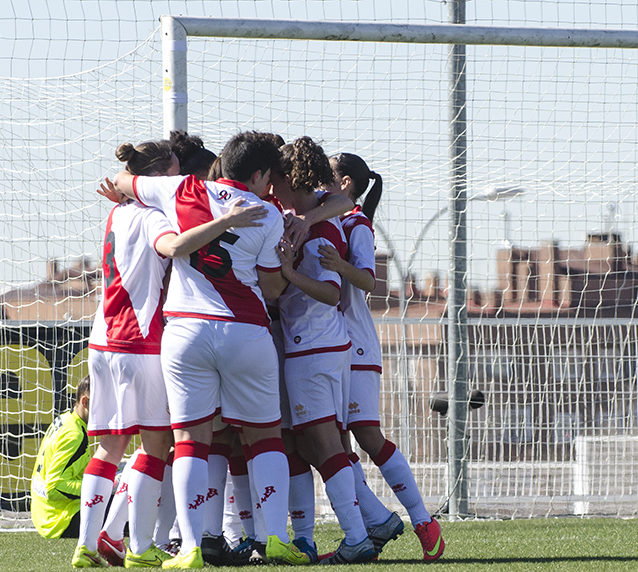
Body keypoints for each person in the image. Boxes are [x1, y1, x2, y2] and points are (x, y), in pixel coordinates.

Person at [110, 131, 311, 569]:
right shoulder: (268, 214)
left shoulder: (180, 188)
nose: (270, 187)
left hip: (185, 332)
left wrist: (123, 186)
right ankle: (277, 538)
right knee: (264, 439)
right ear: (257, 175)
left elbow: (125, 181)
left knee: (189, 443)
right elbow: (273, 288)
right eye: (268, 179)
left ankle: (190, 547)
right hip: (246, 333)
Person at [73, 139, 268, 568]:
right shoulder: (152, 216)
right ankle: (140, 549)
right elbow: (176, 248)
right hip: (141, 344)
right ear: (161, 175)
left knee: (109, 448)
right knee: (157, 446)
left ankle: (90, 543)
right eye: (177, 172)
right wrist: (228, 221)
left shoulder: (117, 212)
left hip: (102, 341)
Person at [319, 152, 445, 562]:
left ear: (347, 184)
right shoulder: (327, 220)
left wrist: (338, 264)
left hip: (355, 346)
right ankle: (371, 525)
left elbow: (369, 282)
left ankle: (423, 520)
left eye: (329, 176)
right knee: (333, 444)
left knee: (367, 436)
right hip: (329, 345)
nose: (320, 182)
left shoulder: (357, 225)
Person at [270, 136, 377, 565]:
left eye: (276, 179)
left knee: (326, 445)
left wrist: (288, 274)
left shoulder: (316, 228)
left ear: (287, 178)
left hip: (315, 349)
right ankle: (370, 523)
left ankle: (357, 536)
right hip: (319, 348)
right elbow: (336, 203)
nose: (272, 189)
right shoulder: (307, 216)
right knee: (314, 445)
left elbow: (333, 292)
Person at [31, 375, 92, 539]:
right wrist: (95, 488)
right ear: (85, 402)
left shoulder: (66, 419)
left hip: (44, 515)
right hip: (60, 521)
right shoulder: (75, 435)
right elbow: (54, 487)